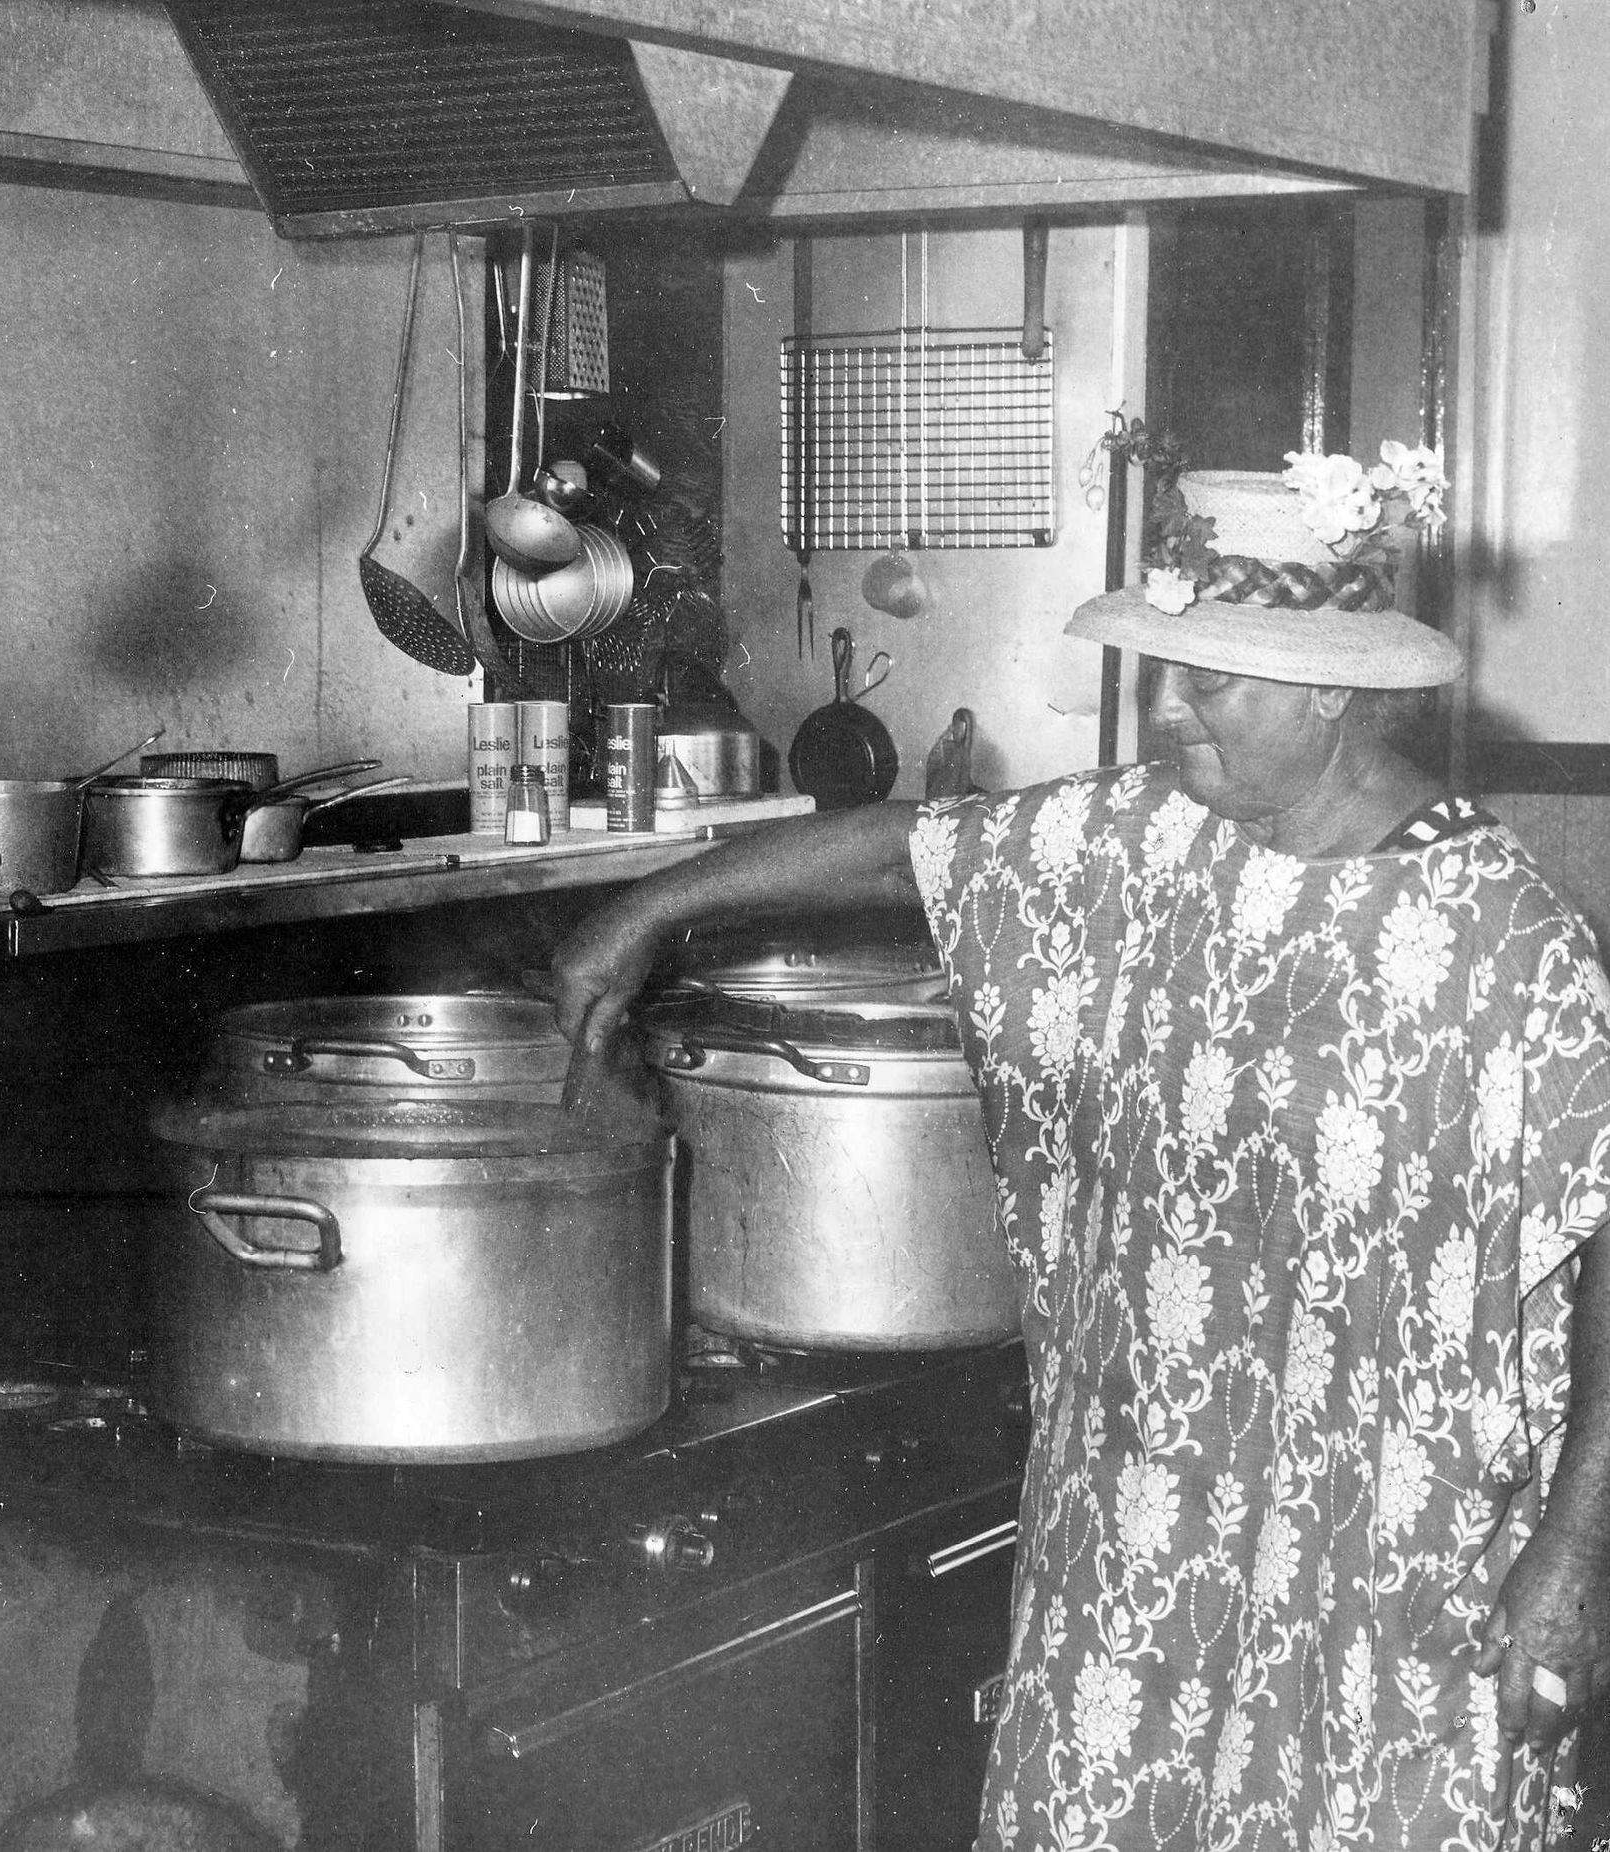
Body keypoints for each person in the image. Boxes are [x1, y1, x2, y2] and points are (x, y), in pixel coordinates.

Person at [553, 462, 1610, 1848]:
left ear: (1332, 691)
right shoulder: (1144, 840)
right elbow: (914, 853)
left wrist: (1575, 1558)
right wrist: (644, 913)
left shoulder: (1503, 942)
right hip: (1138, 1537)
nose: (1164, 713)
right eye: (1159, 675)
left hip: (1392, 1565)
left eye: (1204, 682)